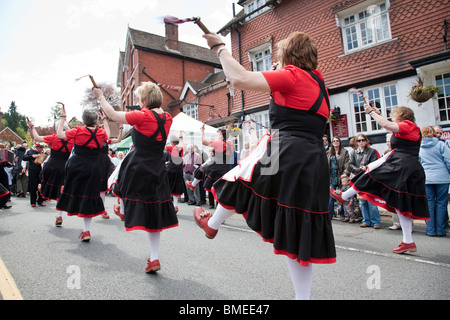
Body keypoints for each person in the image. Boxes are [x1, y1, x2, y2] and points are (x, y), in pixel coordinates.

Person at [194, 31, 336, 300]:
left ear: (288, 55)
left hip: (286, 150)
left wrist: (220, 48)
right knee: (297, 231)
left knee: (240, 180)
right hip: (315, 158)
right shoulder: (320, 84)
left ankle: (212, 223)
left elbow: (239, 78)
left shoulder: (292, 75)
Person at [93, 82, 178, 274]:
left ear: (146, 100)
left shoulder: (143, 116)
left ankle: (122, 208)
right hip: (157, 167)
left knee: (119, 182)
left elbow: (113, 115)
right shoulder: (168, 118)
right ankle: (154, 257)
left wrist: (100, 96)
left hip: (138, 164)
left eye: (140, 99)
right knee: (154, 213)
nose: (139, 103)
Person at [331, 105, 429, 253]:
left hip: (402, 167)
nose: (392, 118)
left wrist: (371, 113)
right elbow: (390, 126)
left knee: (370, 176)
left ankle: (344, 196)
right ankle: (408, 241)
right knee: (401, 204)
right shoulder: (408, 129)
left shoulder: (408, 125)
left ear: (401, 115)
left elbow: (386, 124)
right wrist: (379, 114)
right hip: (405, 166)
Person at [56, 107, 109, 241]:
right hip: (93, 167)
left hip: (76, 165)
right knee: (89, 195)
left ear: (84, 120)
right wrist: (104, 119)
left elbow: (60, 135)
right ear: (96, 120)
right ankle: (86, 231)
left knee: (71, 190)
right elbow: (108, 133)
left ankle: (61, 214)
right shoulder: (101, 133)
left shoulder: (78, 130)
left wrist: (63, 118)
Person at [27, 118, 74, 225]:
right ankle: (59, 215)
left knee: (43, 176)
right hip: (65, 166)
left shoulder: (54, 137)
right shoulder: (72, 139)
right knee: (61, 191)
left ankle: (42, 186)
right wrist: (67, 127)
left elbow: (37, 137)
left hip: (52, 165)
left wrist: (32, 127)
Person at [419, 126, 450, 237]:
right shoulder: (441, 145)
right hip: (442, 178)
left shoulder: (419, 147)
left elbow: (419, 163)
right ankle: (440, 230)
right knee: (441, 204)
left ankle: (431, 230)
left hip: (427, 179)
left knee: (429, 204)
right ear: (433, 133)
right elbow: (448, 160)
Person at [185, 127, 234, 193]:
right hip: (226, 167)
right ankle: (193, 184)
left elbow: (204, 142)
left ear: (222, 136)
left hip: (216, 165)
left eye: (219, 134)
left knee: (202, 169)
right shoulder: (231, 144)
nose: (218, 136)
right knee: (219, 188)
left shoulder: (219, 143)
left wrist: (202, 131)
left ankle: (193, 184)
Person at [348, 133, 381, 228]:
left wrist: (365, 167)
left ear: (366, 141)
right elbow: (350, 164)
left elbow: (375, 163)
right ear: (356, 142)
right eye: (359, 140)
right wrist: (356, 169)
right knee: (362, 201)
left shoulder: (372, 151)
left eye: (363, 140)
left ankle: (376, 222)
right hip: (359, 179)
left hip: (369, 178)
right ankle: (366, 220)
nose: (361, 142)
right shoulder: (353, 153)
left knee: (371, 201)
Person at [327, 137, 349, 219]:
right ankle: (330, 214)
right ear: (332, 143)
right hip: (332, 177)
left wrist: (346, 173)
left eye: (337, 141)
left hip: (341, 177)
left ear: (339, 142)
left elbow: (347, 164)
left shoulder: (344, 152)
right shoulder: (329, 153)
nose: (336, 142)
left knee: (341, 196)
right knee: (331, 197)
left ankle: (342, 214)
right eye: (334, 141)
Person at [165, 134, 185, 212]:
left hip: (170, 170)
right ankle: (175, 205)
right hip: (178, 170)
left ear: (172, 142)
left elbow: (162, 147)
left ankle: (167, 205)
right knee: (175, 188)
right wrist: (182, 139)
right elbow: (183, 146)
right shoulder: (180, 148)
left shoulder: (171, 147)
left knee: (167, 187)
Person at [22, 142, 46, 207]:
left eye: (42, 147)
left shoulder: (44, 152)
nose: (41, 149)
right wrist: (33, 156)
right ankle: (33, 201)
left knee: (42, 186)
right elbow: (24, 158)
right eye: (40, 147)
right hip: (32, 170)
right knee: (33, 186)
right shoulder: (30, 151)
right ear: (37, 147)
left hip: (41, 170)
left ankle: (40, 200)